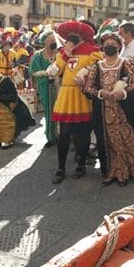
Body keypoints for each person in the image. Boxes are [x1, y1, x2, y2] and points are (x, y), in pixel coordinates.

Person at [82, 32, 134, 186]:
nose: (110, 46)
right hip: (104, 112)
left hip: (125, 111)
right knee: (107, 142)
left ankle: (128, 171)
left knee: (127, 139)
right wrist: (100, 93)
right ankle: (111, 172)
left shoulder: (127, 63)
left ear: (119, 46)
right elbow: (87, 87)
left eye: (113, 44)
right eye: (106, 44)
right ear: (102, 47)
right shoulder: (96, 67)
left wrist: (123, 92)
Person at [50, 20, 102, 184]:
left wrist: (85, 72)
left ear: (82, 36)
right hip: (66, 94)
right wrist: (65, 54)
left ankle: (81, 164)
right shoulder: (62, 53)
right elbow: (53, 72)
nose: (72, 37)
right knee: (64, 134)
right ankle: (60, 167)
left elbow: (96, 68)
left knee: (83, 134)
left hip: (82, 94)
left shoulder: (93, 51)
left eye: (76, 35)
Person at [0, 70, 35, 149]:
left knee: (8, 123)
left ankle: (7, 141)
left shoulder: (6, 80)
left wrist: (12, 104)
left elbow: (14, 94)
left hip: (7, 104)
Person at [29, 30, 59, 148]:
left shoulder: (59, 54)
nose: (53, 43)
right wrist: (45, 73)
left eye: (54, 41)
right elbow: (33, 71)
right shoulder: (38, 55)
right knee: (48, 110)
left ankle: (61, 134)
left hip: (58, 84)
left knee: (59, 110)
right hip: (45, 85)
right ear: (45, 42)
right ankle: (51, 137)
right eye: (51, 41)